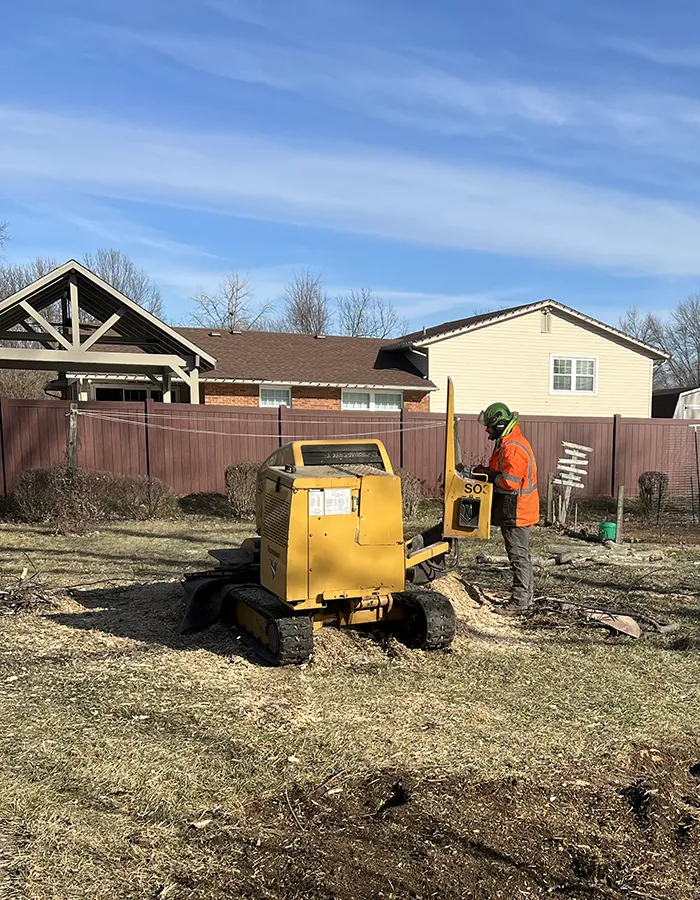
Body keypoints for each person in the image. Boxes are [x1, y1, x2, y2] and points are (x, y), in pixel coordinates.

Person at [473, 402, 539, 616]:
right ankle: (526, 596)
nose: (487, 430)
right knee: (521, 556)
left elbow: (509, 481)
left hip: (517, 509)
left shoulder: (512, 447)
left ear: (500, 425)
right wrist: (485, 471)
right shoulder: (508, 442)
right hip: (515, 507)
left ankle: (520, 601)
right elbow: (501, 471)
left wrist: (489, 477)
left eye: (490, 427)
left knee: (518, 556)